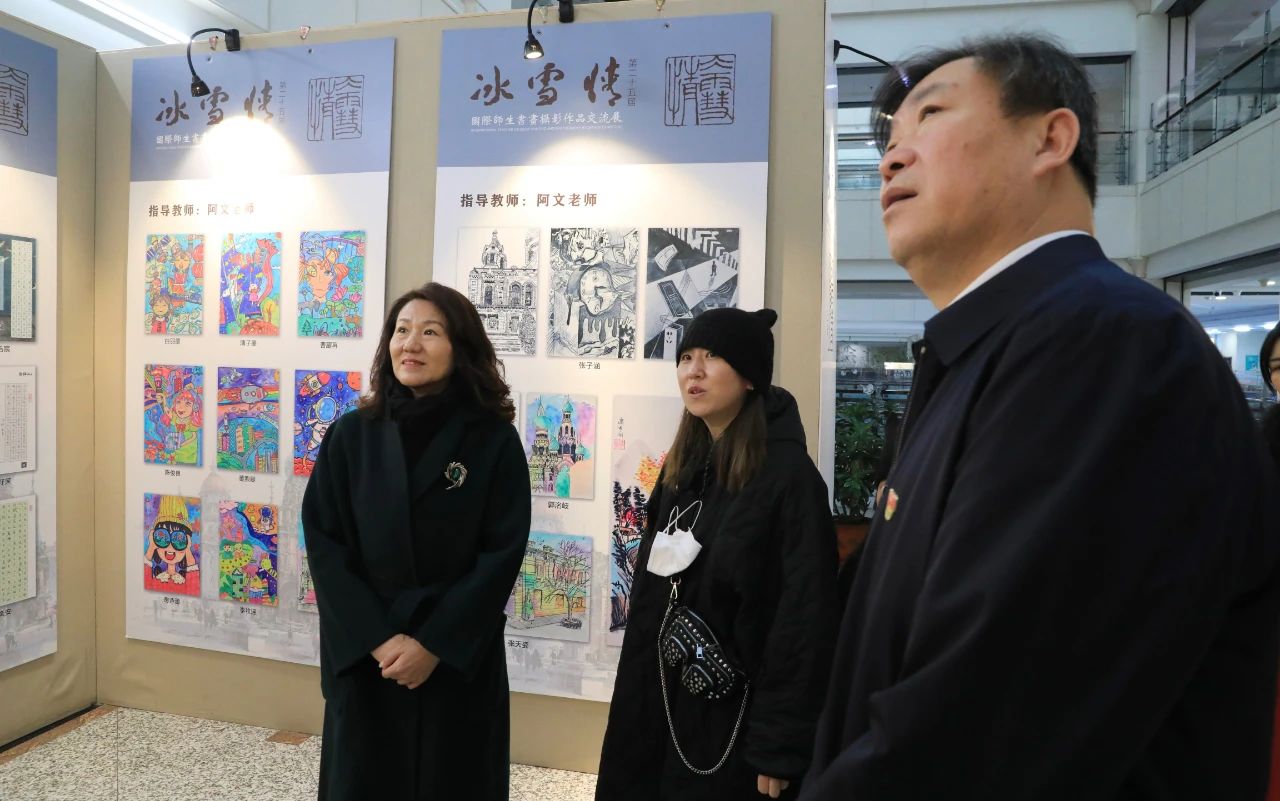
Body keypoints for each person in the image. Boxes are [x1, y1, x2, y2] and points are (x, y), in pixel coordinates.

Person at [803, 34, 1280, 801]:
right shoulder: (992, 351)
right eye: (888, 142)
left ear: (1051, 139)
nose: (891, 159)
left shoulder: (1107, 344)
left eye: (931, 116)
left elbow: (976, 729)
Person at [597, 307, 839, 801]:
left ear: (749, 376)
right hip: (661, 703)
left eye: (712, 356)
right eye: (686, 357)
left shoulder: (790, 480)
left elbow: (805, 621)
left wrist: (780, 745)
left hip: (734, 723)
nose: (695, 371)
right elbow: (649, 598)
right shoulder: (681, 470)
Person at [302, 282, 531, 801]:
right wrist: (379, 639)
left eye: (430, 332)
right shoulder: (351, 435)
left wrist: (433, 644)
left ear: (460, 347)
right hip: (370, 659)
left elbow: (501, 553)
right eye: (401, 331)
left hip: (453, 659)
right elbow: (325, 546)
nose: (411, 344)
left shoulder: (492, 439)